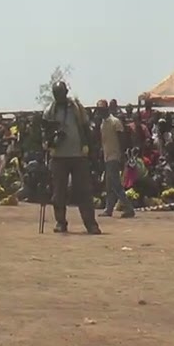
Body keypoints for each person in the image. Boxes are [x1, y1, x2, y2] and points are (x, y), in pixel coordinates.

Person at [43, 81, 101, 234]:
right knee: (59, 192)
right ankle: (60, 222)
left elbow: (85, 128)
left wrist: (90, 148)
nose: (59, 97)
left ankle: (90, 224)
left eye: (61, 93)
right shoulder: (50, 111)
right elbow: (46, 133)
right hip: (58, 156)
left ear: (66, 92)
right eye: (57, 94)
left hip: (78, 155)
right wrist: (53, 139)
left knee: (84, 190)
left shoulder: (77, 108)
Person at [99, 100, 134, 218]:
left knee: (115, 184)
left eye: (102, 110)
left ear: (107, 109)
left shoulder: (115, 122)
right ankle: (109, 209)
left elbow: (122, 139)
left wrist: (122, 155)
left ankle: (128, 208)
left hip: (114, 156)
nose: (100, 112)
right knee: (109, 184)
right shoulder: (102, 124)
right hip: (107, 156)